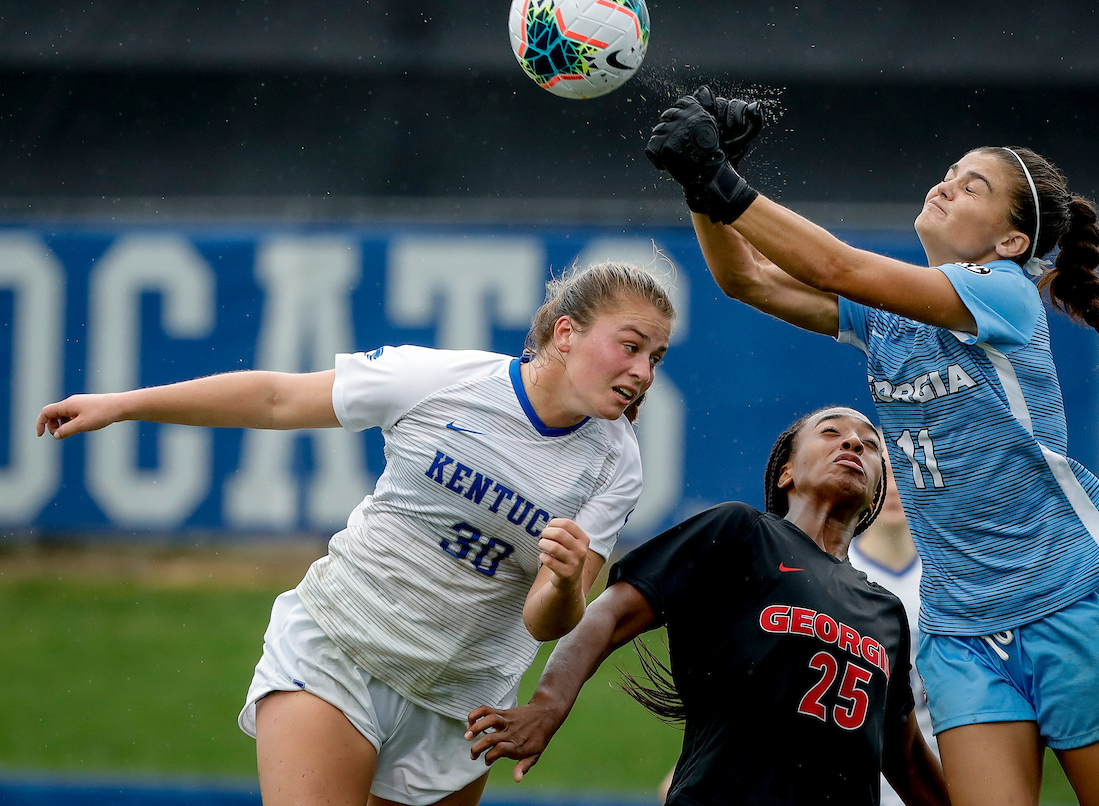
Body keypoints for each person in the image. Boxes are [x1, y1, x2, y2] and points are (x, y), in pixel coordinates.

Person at [644, 88, 1099, 806]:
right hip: (958, 630)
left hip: (1061, 604)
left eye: (974, 185)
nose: (948, 182)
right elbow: (745, 278)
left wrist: (722, 180)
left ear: (1012, 242)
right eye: (951, 170)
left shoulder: (1008, 292)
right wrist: (702, 188)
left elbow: (838, 267)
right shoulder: (890, 315)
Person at [35, 261, 675, 806]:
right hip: (342, 649)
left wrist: (564, 581)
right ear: (565, 333)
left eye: (656, 356)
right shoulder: (443, 380)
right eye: (631, 346)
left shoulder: (616, 464)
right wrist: (124, 403)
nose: (644, 370)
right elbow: (276, 400)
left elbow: (547, 622)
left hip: (462, 704)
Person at [465, 407, 950, 806]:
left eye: (867, 446)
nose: (853, 445)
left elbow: (904, 756)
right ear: (786, 472)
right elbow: (608, 614)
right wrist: (548, 706)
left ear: (874, 494)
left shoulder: (886, 611)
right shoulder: (742, 535)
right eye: (832, 433)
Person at [848, 457, 937, 806]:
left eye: (906, 470)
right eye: (883, 472)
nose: (895, 486)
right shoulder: (829, 575)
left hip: (937, 778)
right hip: (849, 783)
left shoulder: (956, 578)